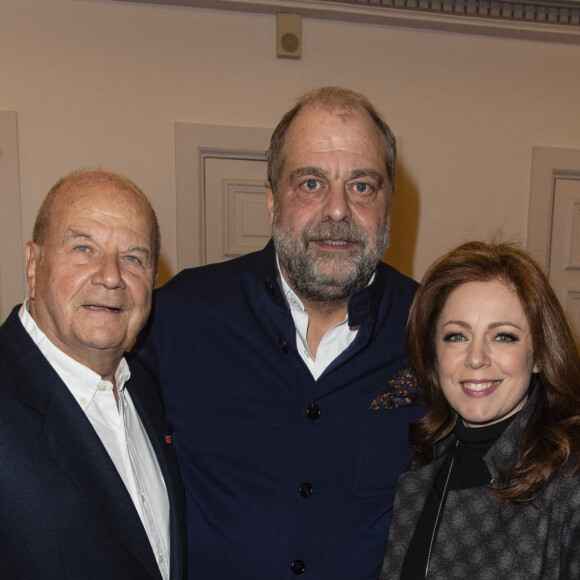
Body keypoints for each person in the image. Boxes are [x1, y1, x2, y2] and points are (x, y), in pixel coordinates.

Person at [136, 87, 426, 579]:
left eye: (361, 186)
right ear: (272, 198)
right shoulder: (180, 315)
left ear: (388, 203)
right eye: (311, 183)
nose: (337, 210)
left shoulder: (433, 328)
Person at [0, 170, 186, 579]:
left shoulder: (147, 389)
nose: (111, 276)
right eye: (83, 248)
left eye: (133, 257)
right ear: (34, 264)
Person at [380, 241, 580, 579]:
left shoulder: (569, 479)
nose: (475, 358)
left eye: (503, 337)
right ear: (434, 354)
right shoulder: (420, 459)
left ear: (541, 355)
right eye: (456, 336)